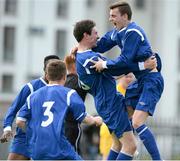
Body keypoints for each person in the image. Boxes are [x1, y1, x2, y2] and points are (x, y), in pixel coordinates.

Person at [72, 19, 156, 160]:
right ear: (86, 35)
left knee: (117, 145)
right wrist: (143, 65)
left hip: (107, 102)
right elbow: (117, 69)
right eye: (95, 33)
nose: (98, 36)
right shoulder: (89, 58)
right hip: (110, 104)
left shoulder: (80, 56)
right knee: (131, 147)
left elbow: (113, 73)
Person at [91, 1, 164, 160]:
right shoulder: (117, 31)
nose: (110, 19)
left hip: (151, 81)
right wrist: (81, 46)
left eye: (113, 16)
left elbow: (124, 61)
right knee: (121, 126)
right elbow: (100, 45)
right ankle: (128, 149)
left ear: (124, 16)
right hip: (140, 81)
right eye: (109, 16)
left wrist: (104, 64)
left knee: (137, 122)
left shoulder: (133, 32)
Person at [15, 60, 102, 160]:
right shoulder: (69, 94)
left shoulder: (33, 96)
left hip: (37, 149)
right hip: (59, 147)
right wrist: (96, 120)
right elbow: (84, 118)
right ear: (65, 76)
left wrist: (33, 132)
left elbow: (19, 121)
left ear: (47, 76)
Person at [0, 55, 60, 160]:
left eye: (57, 68)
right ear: (45, 70)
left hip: (47, 139)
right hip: (25, 137)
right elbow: (14, 108)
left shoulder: (62, 90)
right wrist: (7, 128)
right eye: (52, 67)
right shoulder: (31, 87)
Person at [99, 73, 135, 160]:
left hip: (122, 129)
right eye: (127, 77)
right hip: (110, 129)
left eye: (131, 77)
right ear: (121, 77)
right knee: (108, 156)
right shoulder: (116, 91)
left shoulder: (130, 92)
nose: (129, 79)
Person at [64, 55, 87, 153]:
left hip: (59, 125)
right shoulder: (79, 82)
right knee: (74, 153)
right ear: (74, 66)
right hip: (72, 125)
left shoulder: (63, 82)